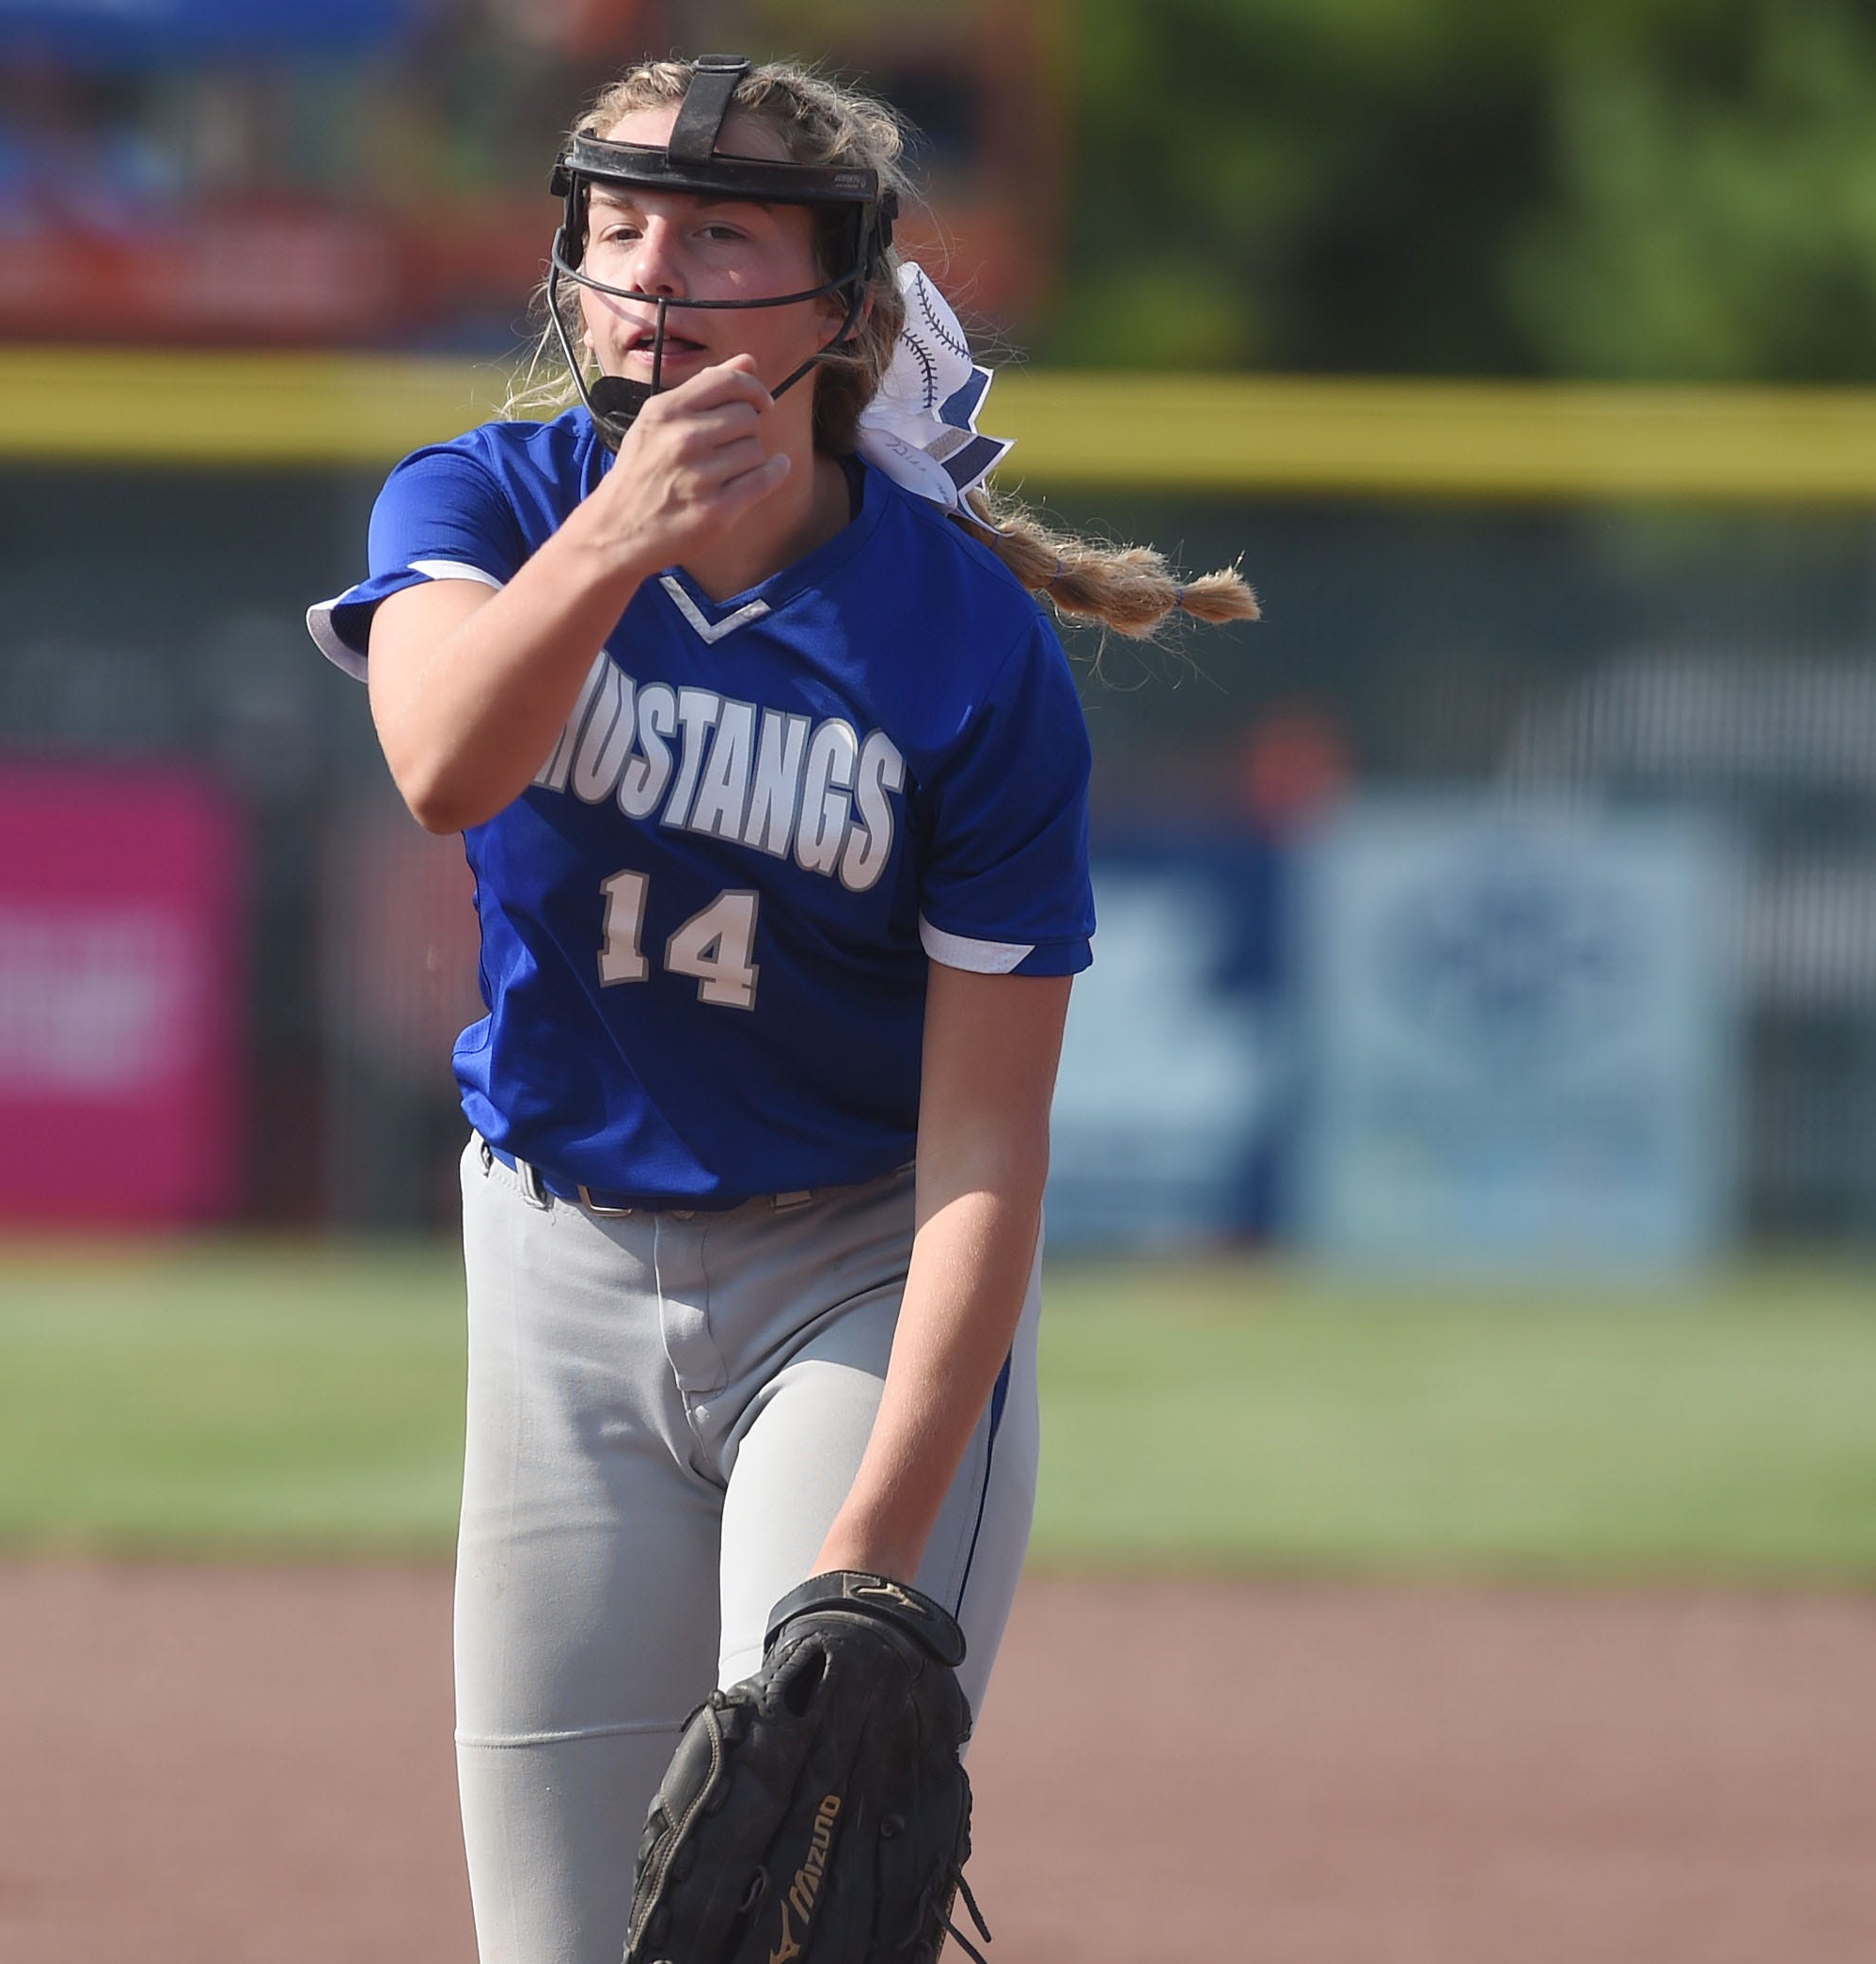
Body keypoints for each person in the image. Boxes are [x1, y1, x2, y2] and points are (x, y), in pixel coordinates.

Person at [306, 55, 1255, 1964]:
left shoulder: (961, 649)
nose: (654, 272)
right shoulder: (484, 501)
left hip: (856, 1275)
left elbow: (988, 1148)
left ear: (840, 303)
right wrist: (612, 538)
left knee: (794, 1892)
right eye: (622, 223)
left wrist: (865, 1563)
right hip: (561, 1283)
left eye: (721, 231)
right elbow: (438, 762)